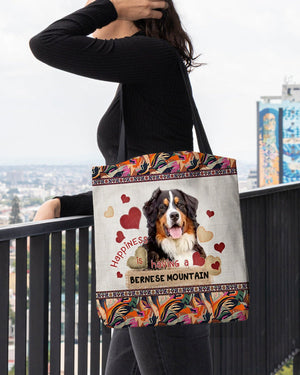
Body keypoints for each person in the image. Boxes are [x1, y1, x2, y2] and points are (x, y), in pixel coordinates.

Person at [30, 0, 213, 374]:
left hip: (158, 269)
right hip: (149, 265)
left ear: (133, 8)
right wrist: (65, 205)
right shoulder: (147, 67)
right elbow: (140, 188)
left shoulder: (152, 57)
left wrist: (112, 7)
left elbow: (46, 43)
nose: (89, 9)